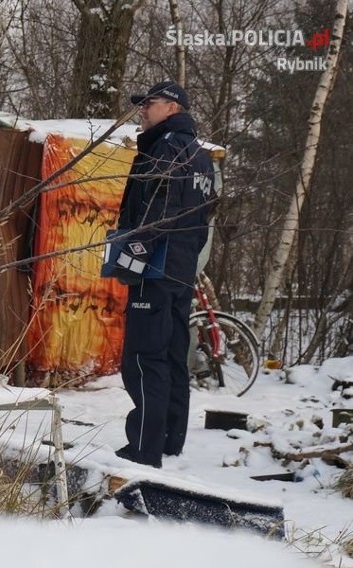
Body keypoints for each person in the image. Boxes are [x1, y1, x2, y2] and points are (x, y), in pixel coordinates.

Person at [110, 80, 214, 468]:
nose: (142, 111)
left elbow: (159, 211)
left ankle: (143, 449)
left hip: (155, 268)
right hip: (181, 271)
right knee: (171, 356)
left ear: (171, 108)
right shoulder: (200, 158)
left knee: (142, 358)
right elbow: (201, 224)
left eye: (148, 104)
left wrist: (132, 255)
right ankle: (170, 440)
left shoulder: (166, 149)